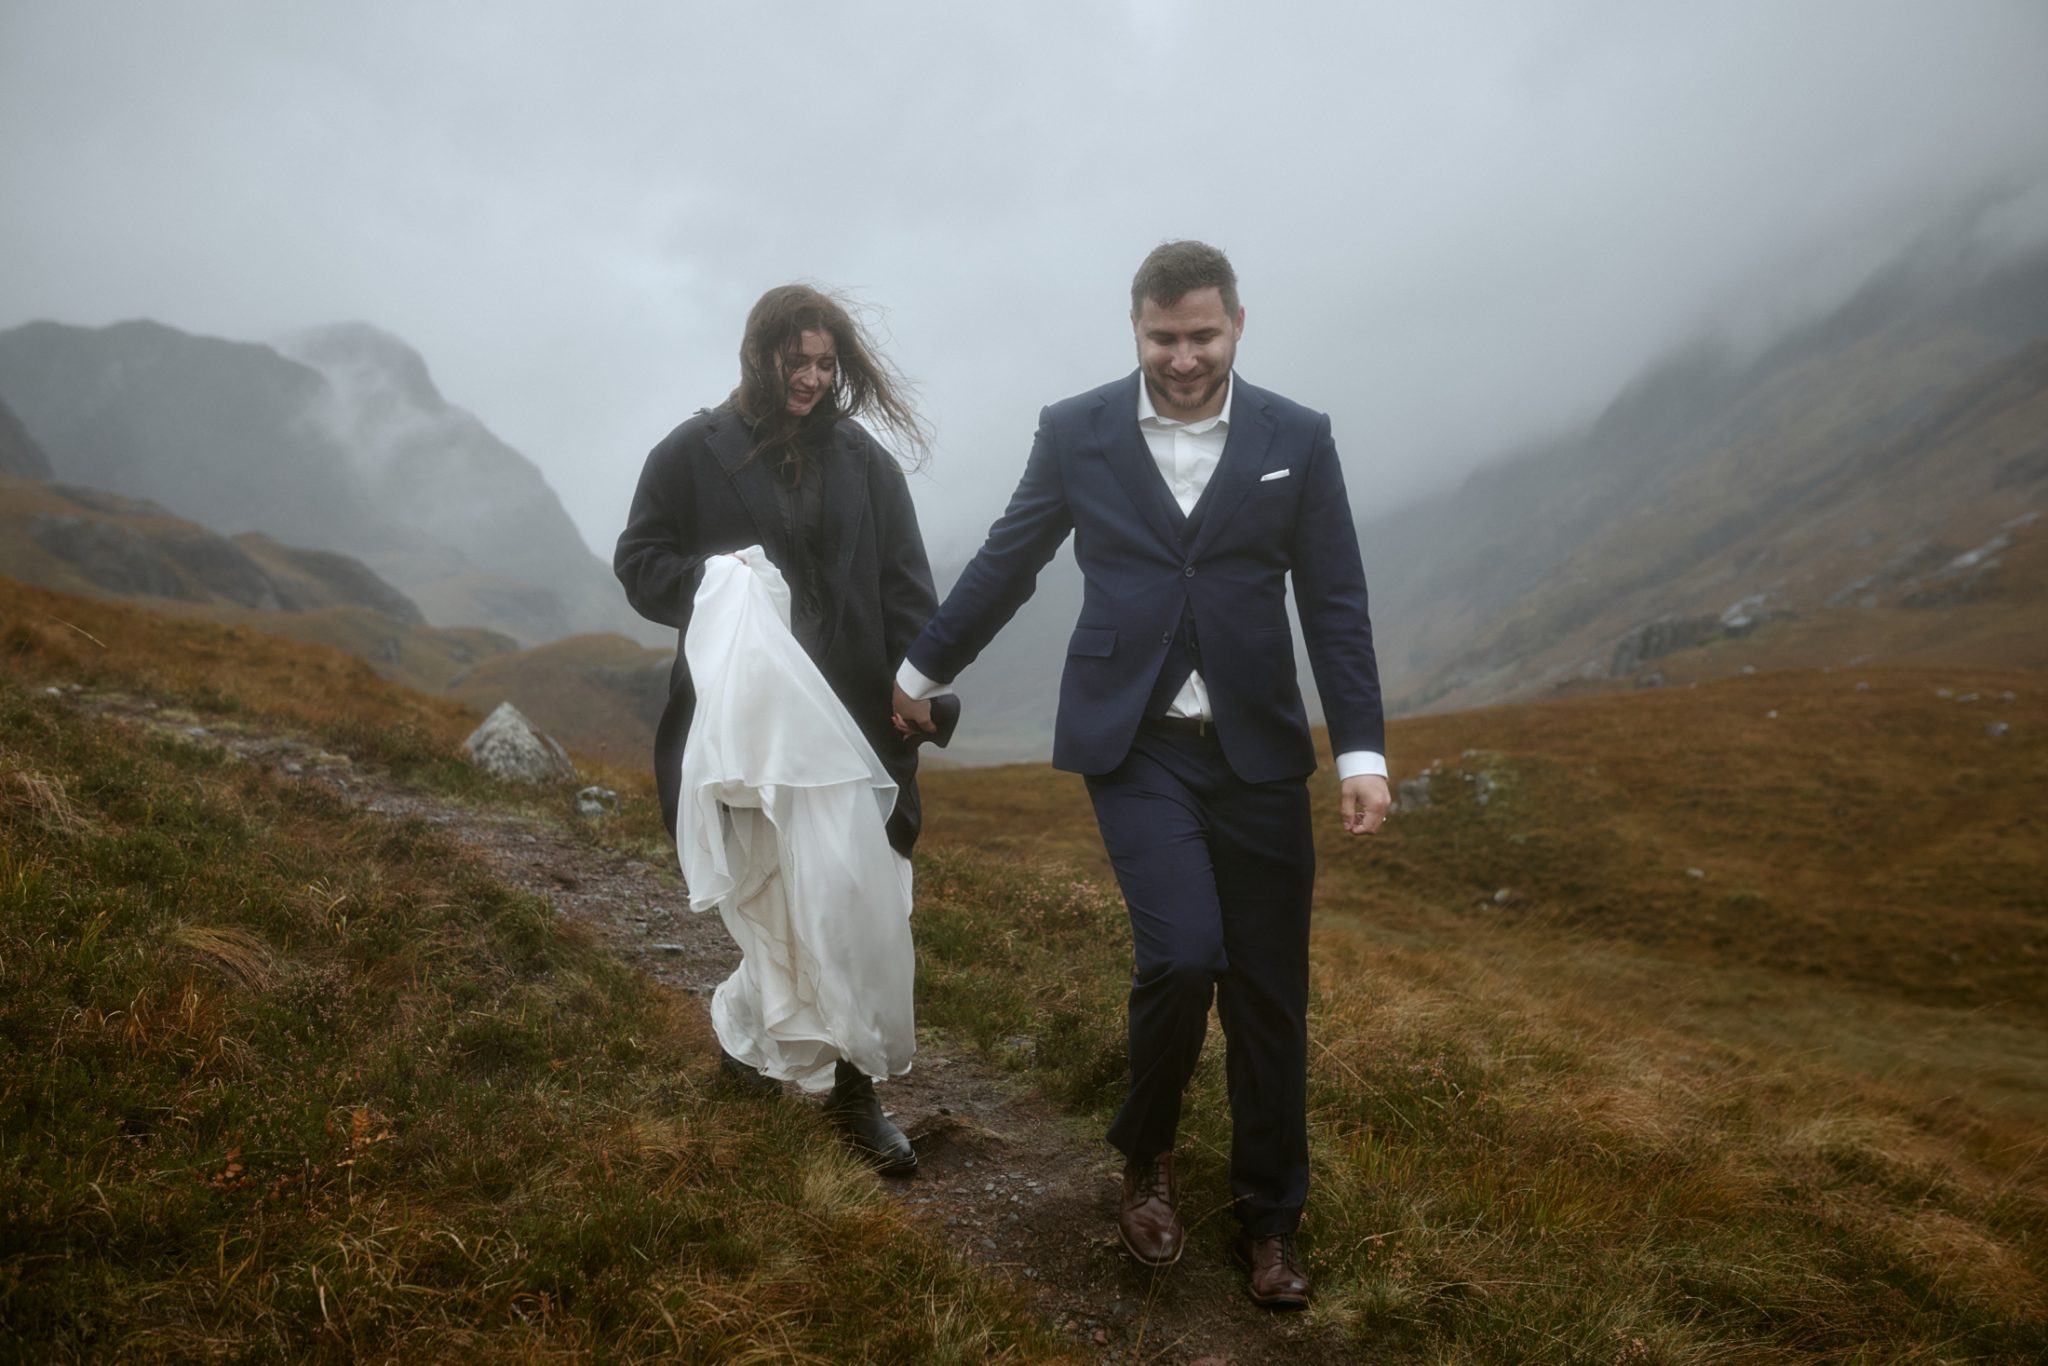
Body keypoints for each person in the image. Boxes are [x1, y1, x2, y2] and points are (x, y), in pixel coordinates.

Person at [891, 241, 1390, 1307]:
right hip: (1135, 744)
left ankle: (1270, 1224)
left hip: (1258, 752)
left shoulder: (1295, 438)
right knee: (1181, 955)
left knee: (1267, 996)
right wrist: (919, 667)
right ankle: (1146, 1156)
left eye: (1200, 335)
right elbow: (1010, 557)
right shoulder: (1076, 430)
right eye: (1162, 337)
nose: (1180, 357)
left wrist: (1359, 752)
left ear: (1237, 325)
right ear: (1134, 328)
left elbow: (1334, 601)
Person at [616, 283, 956, 1177]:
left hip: (851, 729)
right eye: (795, 360)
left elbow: (906, 588)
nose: (811, 378)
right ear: (757, 355)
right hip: (748, 733)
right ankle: (751, 1050)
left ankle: (854, 1094)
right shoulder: (690, 454)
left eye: (825, 363)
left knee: (856, 910)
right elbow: (640, 565)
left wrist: (920, 690)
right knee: (775, 907)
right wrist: (723, 585)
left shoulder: (866, 465)